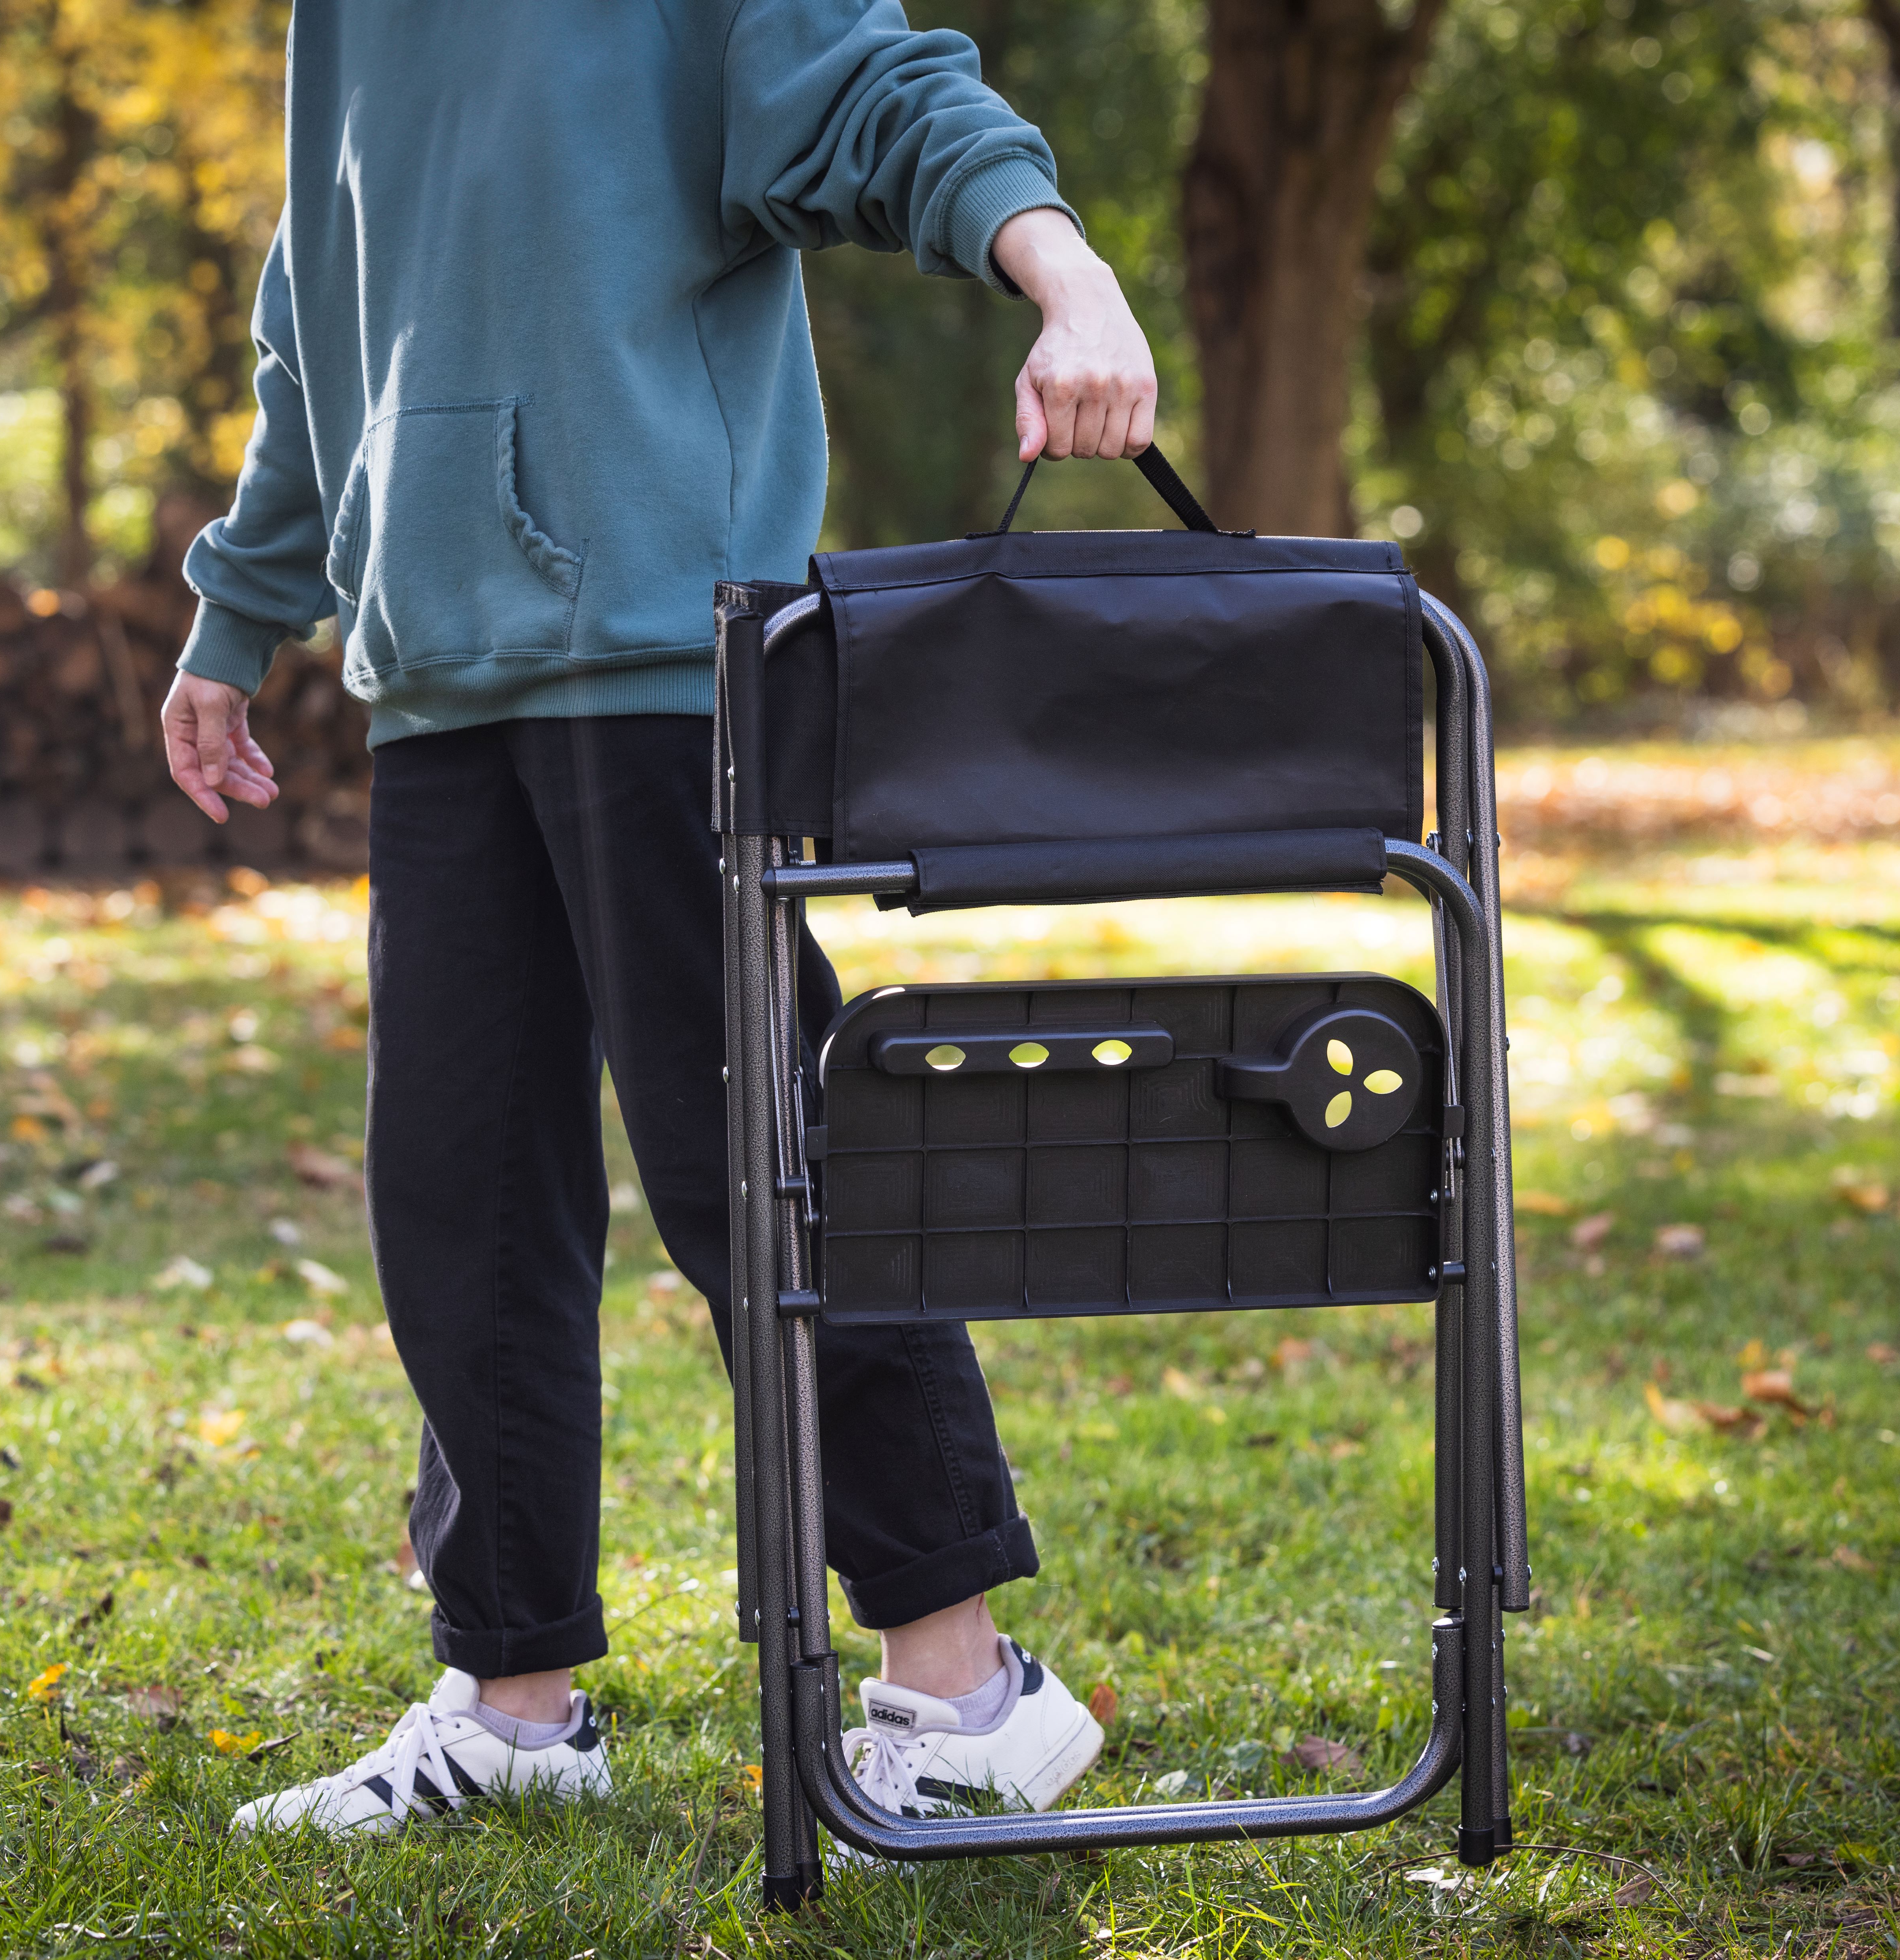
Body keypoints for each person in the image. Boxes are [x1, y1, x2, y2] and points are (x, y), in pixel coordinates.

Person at [158, 0, 1160, 1840]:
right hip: (441, 671)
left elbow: (873, 87)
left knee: (754, 1166)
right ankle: (511, 1694)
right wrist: (244, 608)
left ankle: (966, 1690)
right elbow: (324, 296)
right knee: (455, 1191)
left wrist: (1065, 274)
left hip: (667, 651)